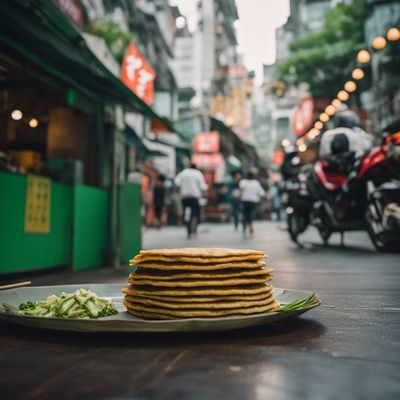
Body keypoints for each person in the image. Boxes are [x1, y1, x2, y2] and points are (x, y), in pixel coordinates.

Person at [174, 163, 207, 238]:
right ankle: (195, 227)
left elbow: (176, 182)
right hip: (194, 198)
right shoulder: (198, 173)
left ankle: (188, 227)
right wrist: (203, 194)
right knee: (196, 213)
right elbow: (203, 186)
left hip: (185, 197)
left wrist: (179, 190)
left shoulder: (183, 173)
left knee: (185, 212)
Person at [239, 171, 265, 236]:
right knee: (249, 213)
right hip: (253, 201)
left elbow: (240, 189)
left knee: (245, 213)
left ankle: (247, 225)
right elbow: (261, 193)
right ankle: (249, 225)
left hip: (245, 200)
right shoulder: (256, 183)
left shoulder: (243, 182)